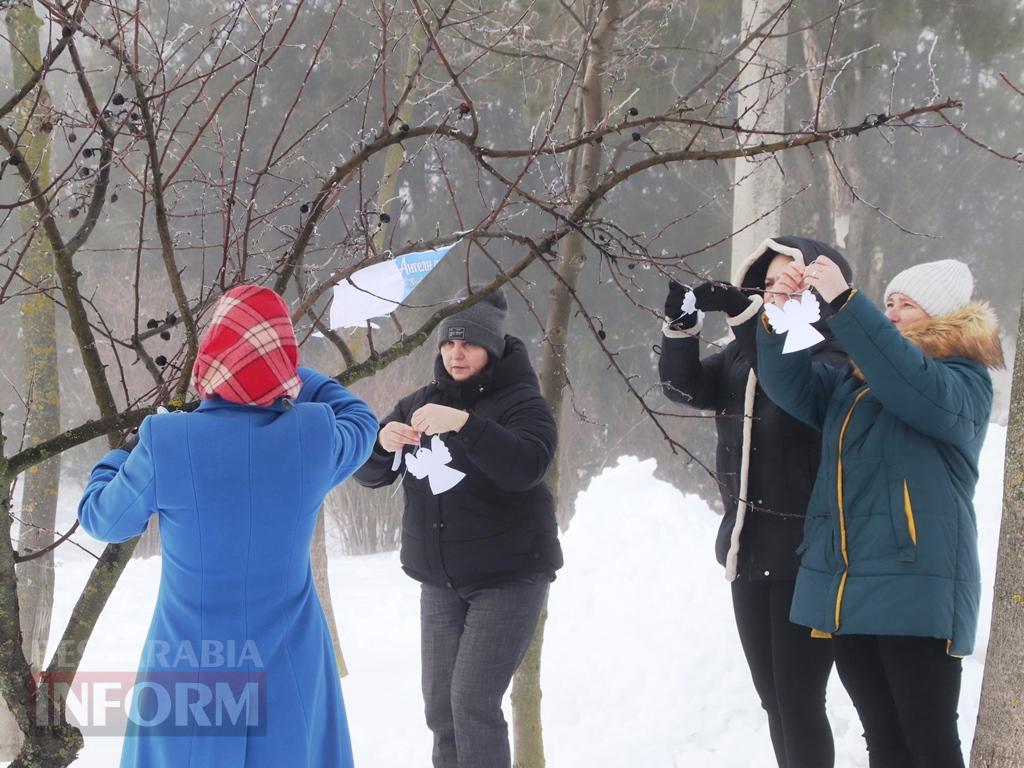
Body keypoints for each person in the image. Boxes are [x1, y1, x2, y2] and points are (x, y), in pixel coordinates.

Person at [78, 285, 378, 768]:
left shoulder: (168, 441)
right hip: (289, 667)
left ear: (209, 358)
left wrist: (120, 455)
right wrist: (285, 372)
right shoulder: (312, 436)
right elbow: (361, 420)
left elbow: (102, 518)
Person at [756, 257, 1004, 768]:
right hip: (851, 584)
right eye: (885, 304)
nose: (889, 315)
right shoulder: (855, 382)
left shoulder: (964, 381)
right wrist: (780, 313)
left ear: (942, 315)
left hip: (915, 583)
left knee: (930, 742)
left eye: (904, 305)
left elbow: (911, 384)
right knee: (884, 741)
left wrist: (848, 304)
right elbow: (790, 387)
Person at [658, 237, 852, 768]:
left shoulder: (834, 352)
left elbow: (792, 386)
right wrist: (682, 329)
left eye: (787, 283)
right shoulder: (744, 355)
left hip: (811, 556)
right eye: (765, 286)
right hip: (750, 549)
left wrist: (746, 318)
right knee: (773, 701)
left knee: (799, 699)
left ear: (818, 289)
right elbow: (685, 389)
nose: (772, 295)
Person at [353, 285, 561, 768]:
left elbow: (525, 466)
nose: (455, 353)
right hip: (441, 583)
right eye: (448, 343)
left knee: (471, 704)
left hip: (509, 578)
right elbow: (368, 474)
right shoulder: (419, 402)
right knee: (442, 709)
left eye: (467, 343)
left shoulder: (523, 402)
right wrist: (383, 444)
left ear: (491, 346)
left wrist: (465, 424)